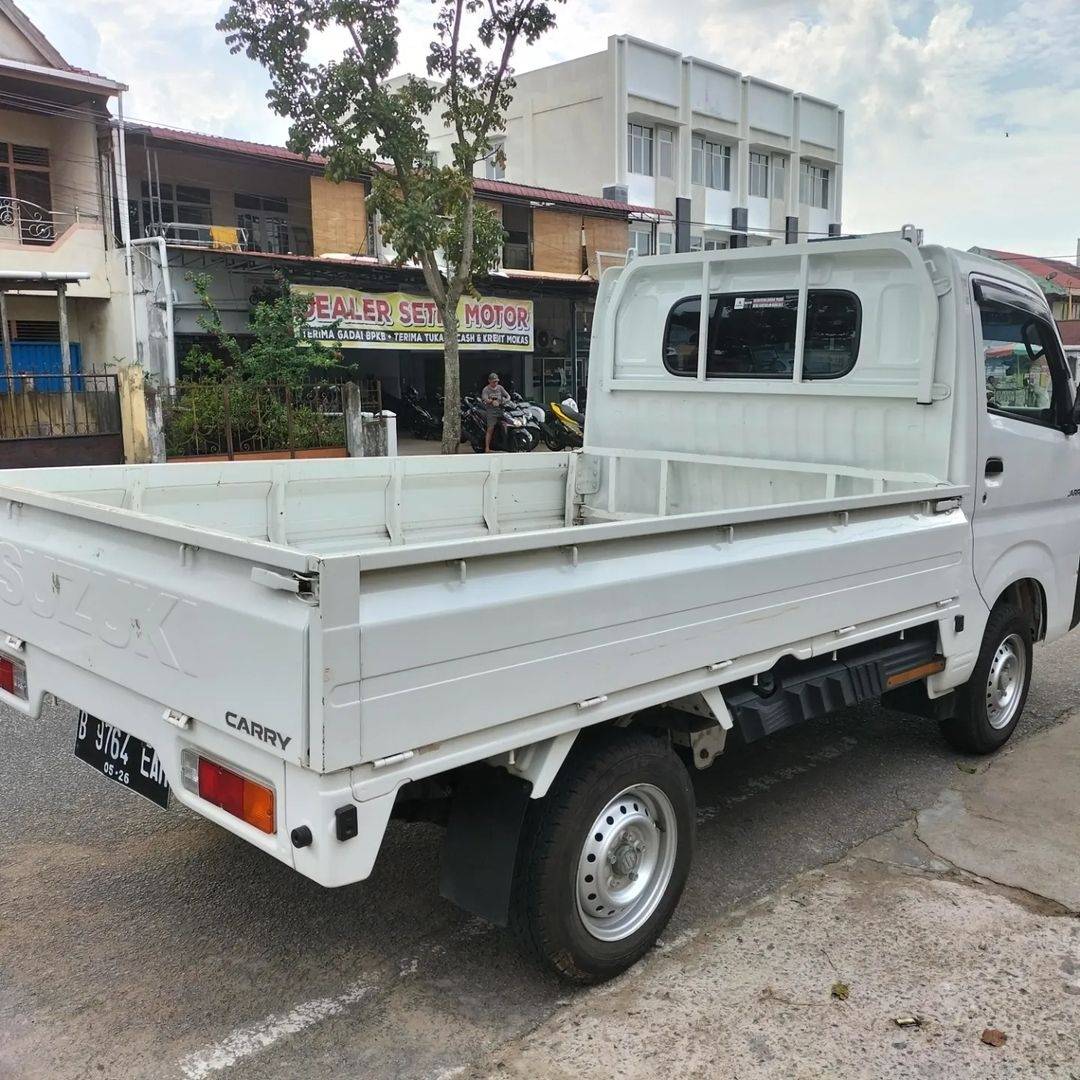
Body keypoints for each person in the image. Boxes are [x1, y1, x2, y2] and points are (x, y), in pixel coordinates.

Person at [481, 372, 512, 451]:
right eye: (493, 381)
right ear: (489, 381)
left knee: (507, 424)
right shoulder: (486, 389)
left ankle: (507, 444)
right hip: (491, 411)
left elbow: (508, 396)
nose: (495, 383)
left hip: (501, 410)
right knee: (490, 429)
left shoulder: (500, 388)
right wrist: (491, 401)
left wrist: (506, 400)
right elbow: (485, 399)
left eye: (496, 381)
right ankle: (487, 447)